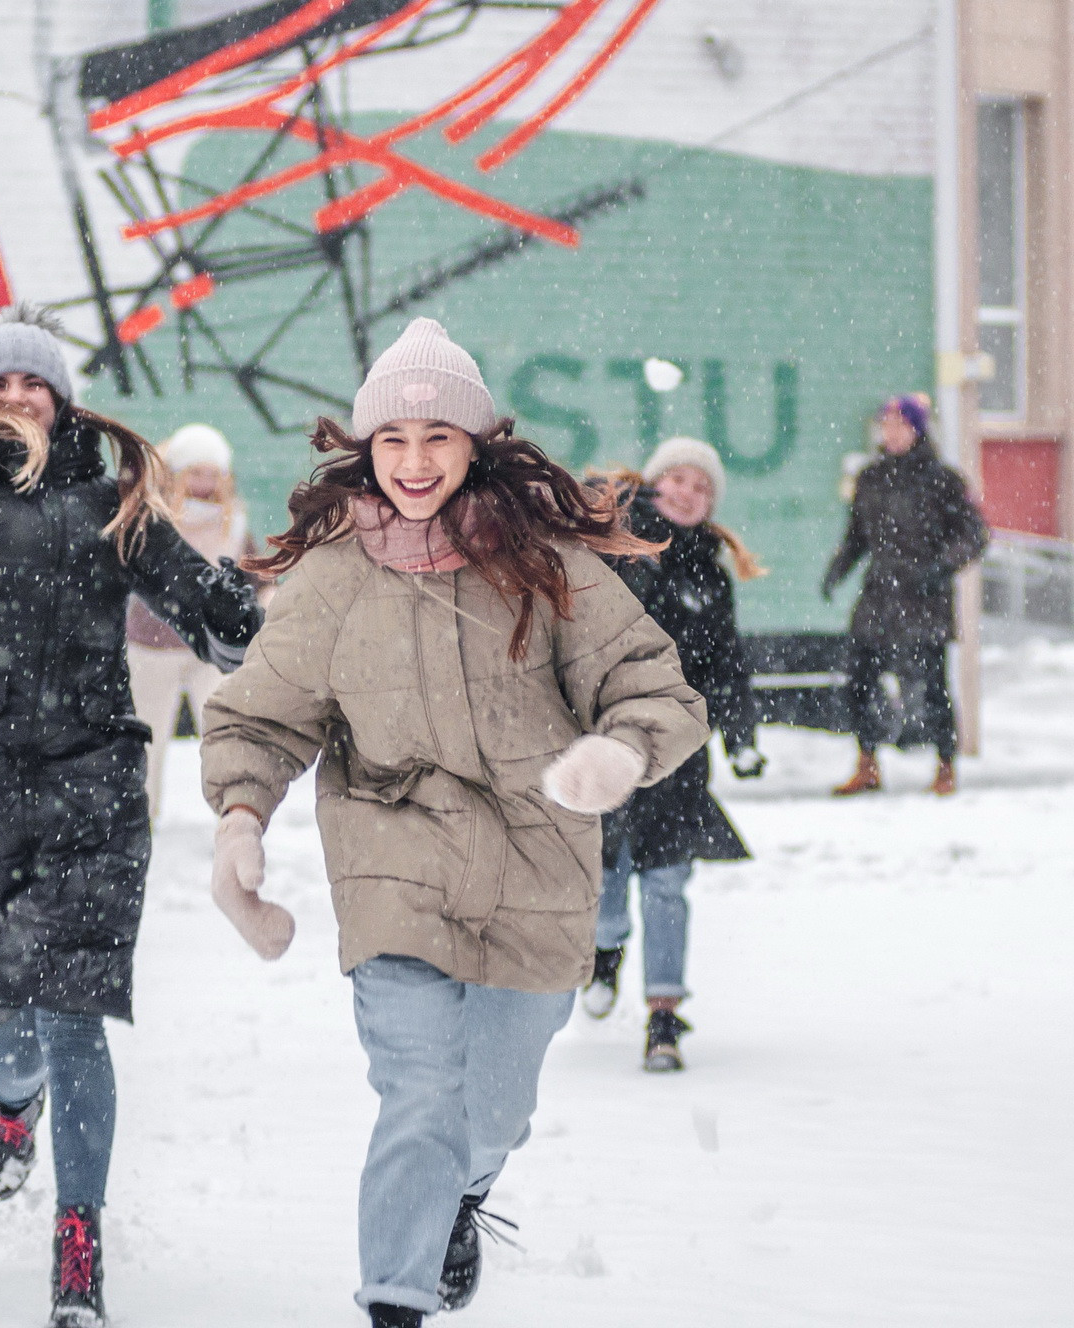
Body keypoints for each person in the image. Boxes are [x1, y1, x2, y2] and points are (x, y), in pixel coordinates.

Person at [197, 318, 709, 1328]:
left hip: (537, 863)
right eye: (392, 439)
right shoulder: (337, 574)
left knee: (491, 1109)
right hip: (393, 859)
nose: (414, 462)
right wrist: (240, 816)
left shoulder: (545, 560)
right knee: (420, 1094)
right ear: (365, 449)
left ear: (475, 443)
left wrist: (620, 749)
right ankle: (394, 1300)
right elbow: (261, 710)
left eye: (437, 436)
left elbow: (655, 683)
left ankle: (459, 1194)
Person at [0, 300, 262, 1328]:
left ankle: (78, 1234)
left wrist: (243, 616)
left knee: (72, 1016)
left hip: (90, 789)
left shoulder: (114, 505)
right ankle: (14, 1110)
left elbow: (203, 603)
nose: (15, 398)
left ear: (62, 401)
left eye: (33, 383)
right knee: (10, 1021)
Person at [581, 437, 769, 1071]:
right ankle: (604, 953)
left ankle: (663, 1017)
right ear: (656, 482)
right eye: (680, 479)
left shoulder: (710, 573)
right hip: (611, 740)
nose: (690, 492)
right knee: (605, 875)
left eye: (703, 486)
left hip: (682, 752)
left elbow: (727, 663)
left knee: (667, 879)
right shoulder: (615, 546)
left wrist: (741, 735)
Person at [820, 394, 989, 797]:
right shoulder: (871, 479)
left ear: (917, 429)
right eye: (886, 424)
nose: (892, 432)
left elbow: (974, 534)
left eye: (900, 424)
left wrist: (942, 566)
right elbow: (858, 535)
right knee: (860, 679)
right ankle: (867, 764)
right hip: (879, 595)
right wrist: (838, 569)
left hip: (923, 598)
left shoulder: (943, 480)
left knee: (931, 686)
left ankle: (946, 765)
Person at [125, 423, 262, 820]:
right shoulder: (155, 517)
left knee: (226, 735)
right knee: (147, 740)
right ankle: (139, 821)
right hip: (152, 647)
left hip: (213, 650)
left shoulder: (232, 522)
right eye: (195, 472)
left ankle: (236, 819)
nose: (204, 482)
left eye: (212, 473)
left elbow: (255, 575)